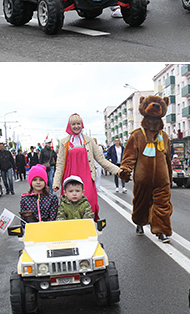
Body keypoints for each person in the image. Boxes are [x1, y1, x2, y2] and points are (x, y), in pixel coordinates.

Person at [119, 94, 173, 242]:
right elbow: (130, 155)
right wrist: (126, 169)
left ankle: (161, 231)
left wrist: (170, 175)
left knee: (162, 204)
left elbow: (167, 158)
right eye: (151, 104)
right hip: (143, 178)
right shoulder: (137, 135)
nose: (155, 107)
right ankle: (140, 223)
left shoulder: (164, 136)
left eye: (159, 104)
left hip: (162, 179)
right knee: (141, 202)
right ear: (143, 106)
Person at [53, 113, 116, 219]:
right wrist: (56, 183)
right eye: (73, 124)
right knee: (69, 208)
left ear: (82, 124)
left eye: (78, 123)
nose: (76, 126)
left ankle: (89, 231)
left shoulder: (89, 140)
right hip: (70, 178)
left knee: (88, 206)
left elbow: (101, 159)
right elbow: (59, 164)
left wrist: (118, 171)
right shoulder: (64, 142)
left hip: (87, 178)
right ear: (69, 126)